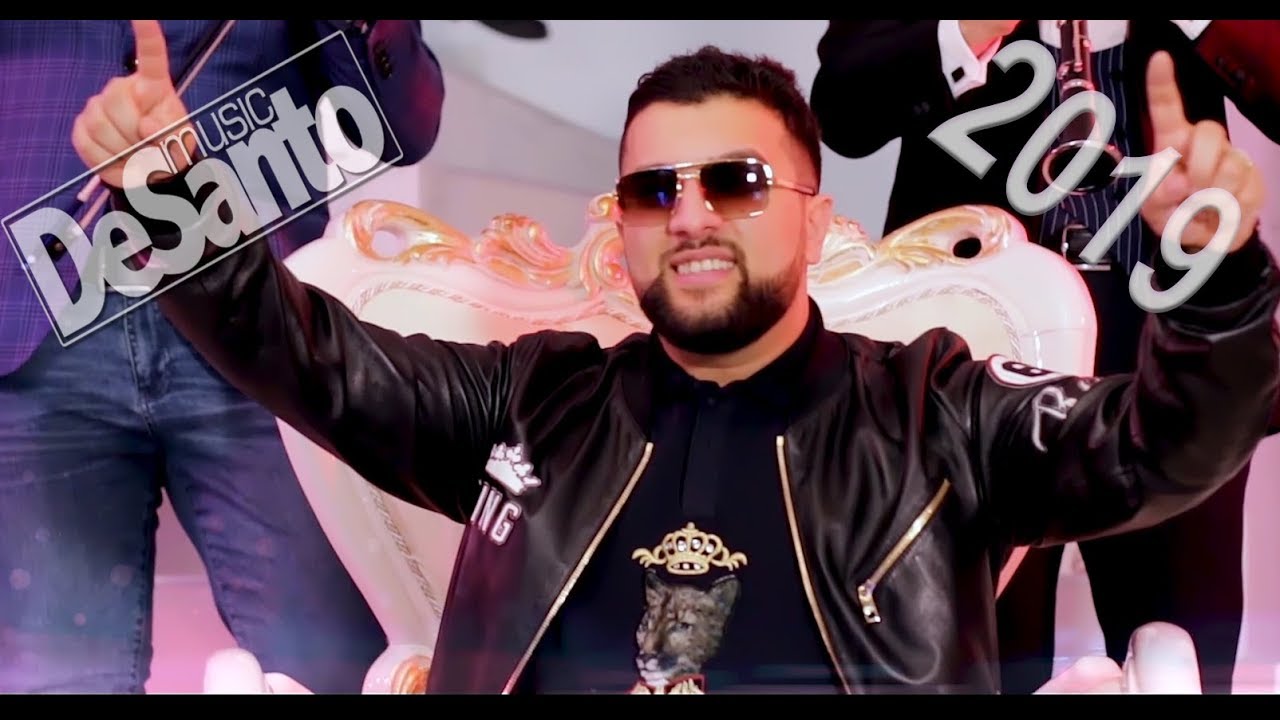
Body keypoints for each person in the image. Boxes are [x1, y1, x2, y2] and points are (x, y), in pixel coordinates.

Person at [82, 43, 1278, 694]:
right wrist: (170, 197)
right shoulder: (528, 405)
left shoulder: (936, 411)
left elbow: (1158, 447)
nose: (692, 214)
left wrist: (1215, 277)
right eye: (654, 190)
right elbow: (301, 353)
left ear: (815, 219)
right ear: (622, 225)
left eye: (735, 183)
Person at [810, 20, 1280, 693]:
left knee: (1186, 660)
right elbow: (843, 110)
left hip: (1176, 361)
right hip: (972, 368)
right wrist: (968, 32)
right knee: (976, 659)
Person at [0, 20, 445, 693]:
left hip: (256, 314)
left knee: (328, 669)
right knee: (55, 680)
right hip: (35, 309)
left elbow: (401, 128)